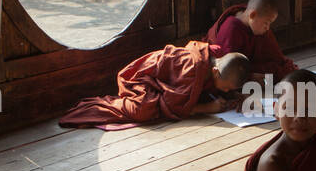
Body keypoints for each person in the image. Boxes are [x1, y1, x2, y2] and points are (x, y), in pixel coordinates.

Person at [58, 43, 249, 128]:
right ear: (215, 72)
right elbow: (174, 106)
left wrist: (235, 96)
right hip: (140, 79)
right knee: (143, 110)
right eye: (226, 87)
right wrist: (207, 108)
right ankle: (95, 106)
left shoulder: (214, 60)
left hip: (163, 83)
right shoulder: (193, 68)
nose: (225, 91)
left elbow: (199, 88)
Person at [204, 0, 298, 80]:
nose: (268, 28)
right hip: (228, 71)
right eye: (266, 23)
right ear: (252, 15)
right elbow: (226, 68)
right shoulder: (230, 29)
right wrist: (250, 76)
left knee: (281, 68)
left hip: (249, 66)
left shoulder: (257, 24)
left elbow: (276, 55)